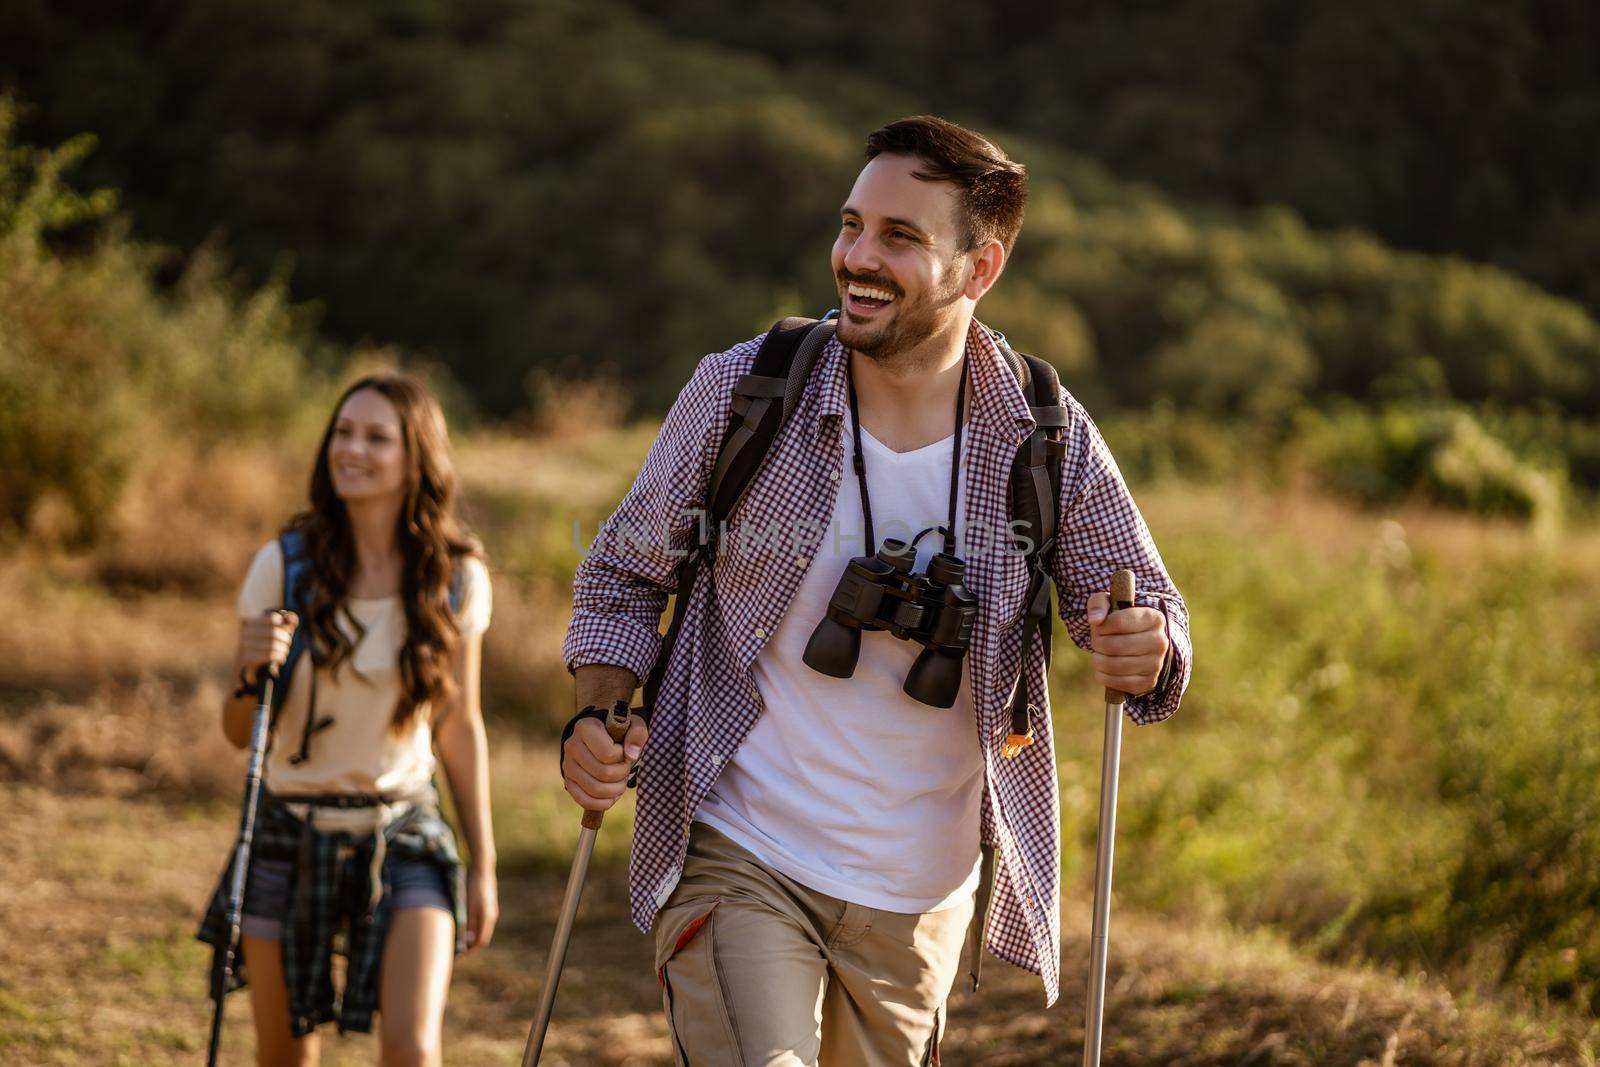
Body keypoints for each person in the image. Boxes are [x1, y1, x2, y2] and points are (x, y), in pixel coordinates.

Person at [561, 115, 1192, 1065]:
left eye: (899, 236)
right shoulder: (747, 391)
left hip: (920, 902)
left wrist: (1146, 646)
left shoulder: (1044, 437)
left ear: (980, 269)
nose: (857, 256)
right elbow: (621, 573)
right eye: (851, 225)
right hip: (742, 853)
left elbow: (1152, 616)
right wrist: (596, 719)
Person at [198, 372, 497, 1067]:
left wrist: (483, 864)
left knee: (414, 1050)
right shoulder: (284, 565)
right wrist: (250, 672)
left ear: (416, 457)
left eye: (375, 436)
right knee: (284, 1055)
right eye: (343, 431)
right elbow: (241, 731)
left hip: (404, 829)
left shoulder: (455, 576)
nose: (351, 449)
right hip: (287, 828)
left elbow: (459, 723)